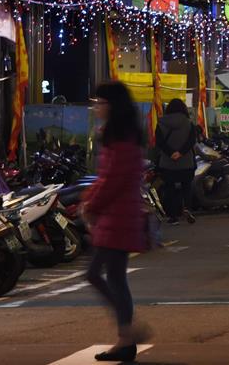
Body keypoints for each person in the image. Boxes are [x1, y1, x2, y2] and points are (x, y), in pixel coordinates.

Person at [82, 81, 151, 362]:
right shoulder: (120, 135)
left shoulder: (122, 139)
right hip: (116, 216)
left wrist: (91, 204)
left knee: (103, 275)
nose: (96, 107)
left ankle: (128, 332)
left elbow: (113, 180)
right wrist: (90, 200)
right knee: (111, 277)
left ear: (112, 105)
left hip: (118, 216)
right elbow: (106, 178)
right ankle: (126, 337)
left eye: (99, 102)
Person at [154, 98, 197, 225]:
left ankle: (172, 217)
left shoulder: (161, 123)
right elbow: (192, 141)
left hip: (168, 163)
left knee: (169, 189)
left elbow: (159, 142)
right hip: (186, 162)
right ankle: (187, 209)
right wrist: (181, 152)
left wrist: (171, 153)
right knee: (186, 187)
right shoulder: (189, 123)